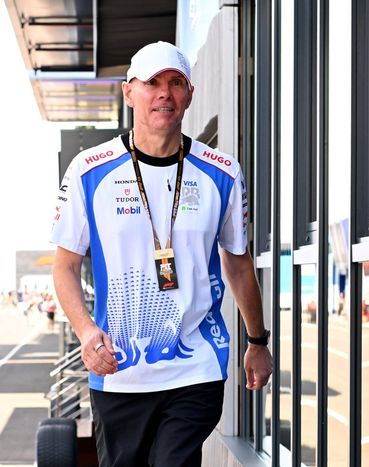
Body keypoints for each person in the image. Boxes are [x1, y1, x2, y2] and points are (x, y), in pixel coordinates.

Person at [50, 41, 273, 466]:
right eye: (152, 83)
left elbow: (238, 262)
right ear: (129, 93)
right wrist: (85, 331)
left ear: (189, 95)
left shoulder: (222, 172)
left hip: (196, 368)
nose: (164, 94)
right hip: (119, 373)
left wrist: (257, 341)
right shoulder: (88, 170)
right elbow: (65, 266)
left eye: (175, 83)